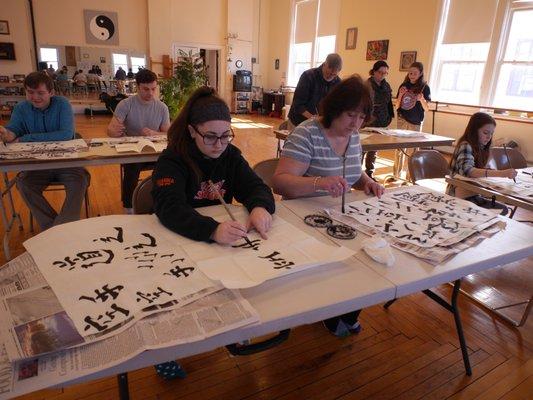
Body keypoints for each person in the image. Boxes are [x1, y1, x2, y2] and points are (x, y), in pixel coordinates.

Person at [151, 86, 275, 378]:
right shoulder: (173, 159)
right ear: (193, 131)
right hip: (180, 236)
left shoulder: (230, 155)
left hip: (218, 239)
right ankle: (165, 349)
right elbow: (169, 209)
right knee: (177, 294)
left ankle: (231, 328)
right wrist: (213, 230)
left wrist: (260, 208)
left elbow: (256, 187)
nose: (220, 144)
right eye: (210, 136)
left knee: (231, 282)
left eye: (226, 135)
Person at [272, 75, 384, 337]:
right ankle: (332, 311)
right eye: (350, 115)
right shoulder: (307, 134)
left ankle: (345, 309)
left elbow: (353, 172)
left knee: (366, 256)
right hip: (304, 219)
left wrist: (367, 182)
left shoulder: (353, 136)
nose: (355, 124)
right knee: (344, 261)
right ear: (334, 109)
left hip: (339, 215)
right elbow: (280, 183)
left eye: (361, 117)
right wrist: (320, 183)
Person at [0, 72, 90, 231]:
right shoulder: (21, 108)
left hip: (66, 162)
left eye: (40, 93)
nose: (35, 97)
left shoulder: (62, 104)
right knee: (24, 184)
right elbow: (13, 130)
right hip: (37, 164)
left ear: (51, 93)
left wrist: (23, 138)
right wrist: (7, 134)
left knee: (80, 180)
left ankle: (56, 231)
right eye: (30, 92)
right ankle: (57, 230)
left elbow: (65, 134)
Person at [107, 69, 170, 214]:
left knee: (168, 165)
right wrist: (114, 131)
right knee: (132, 167)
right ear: (137, 87)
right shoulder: (125, 104)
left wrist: (154, 133)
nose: (150, 93)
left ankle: (160, 202)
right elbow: (110, 129)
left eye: (153, 89)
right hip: (133, 151)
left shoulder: (162, 107)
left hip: (154, 151)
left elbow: (168, 133)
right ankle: (128, 207)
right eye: (145, 89)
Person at [447, 112, 516, 214]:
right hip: (458, 196)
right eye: (485, 133)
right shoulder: (465, 145)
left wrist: (489, 167)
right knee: (500, 211)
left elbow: (483, 170)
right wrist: (502, 173)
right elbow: (469, 171)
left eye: (491, 133)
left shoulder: (482, 147)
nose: (489, 137)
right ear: (474, 131)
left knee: (503, 209)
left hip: (473, 193)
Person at [287, 53, 342, 129]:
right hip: (298, 122)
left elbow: (336, 106)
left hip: (319, 125)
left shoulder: (338, 83)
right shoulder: (308, 76)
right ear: (324, 64)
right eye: (328, 73)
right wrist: (314, 118)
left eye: (334, 75)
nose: (330, 77)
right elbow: (298, 105)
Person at [363, 61, 394, 179]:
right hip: (368, 121)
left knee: (375, 148)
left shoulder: (386, 86)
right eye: (380, 72)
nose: (382, 75)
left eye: (385, 73)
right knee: (363, 148)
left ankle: (369, 173)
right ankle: (357, 175)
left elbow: (389, 103)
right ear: (374, 71)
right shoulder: (367, 84)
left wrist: (390, 117)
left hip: (382, 121)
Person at [396, 61, 430, 131]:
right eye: (410, 73)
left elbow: (426, 109)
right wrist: (400, 95)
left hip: (415, 122)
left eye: (415, 73)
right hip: (402, 120)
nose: (412, 75)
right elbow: (396, 106)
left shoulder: (425, 87)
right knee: (399, 141)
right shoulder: (403, 85)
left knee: (413, 142)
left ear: (420, 74)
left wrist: (422, 99)